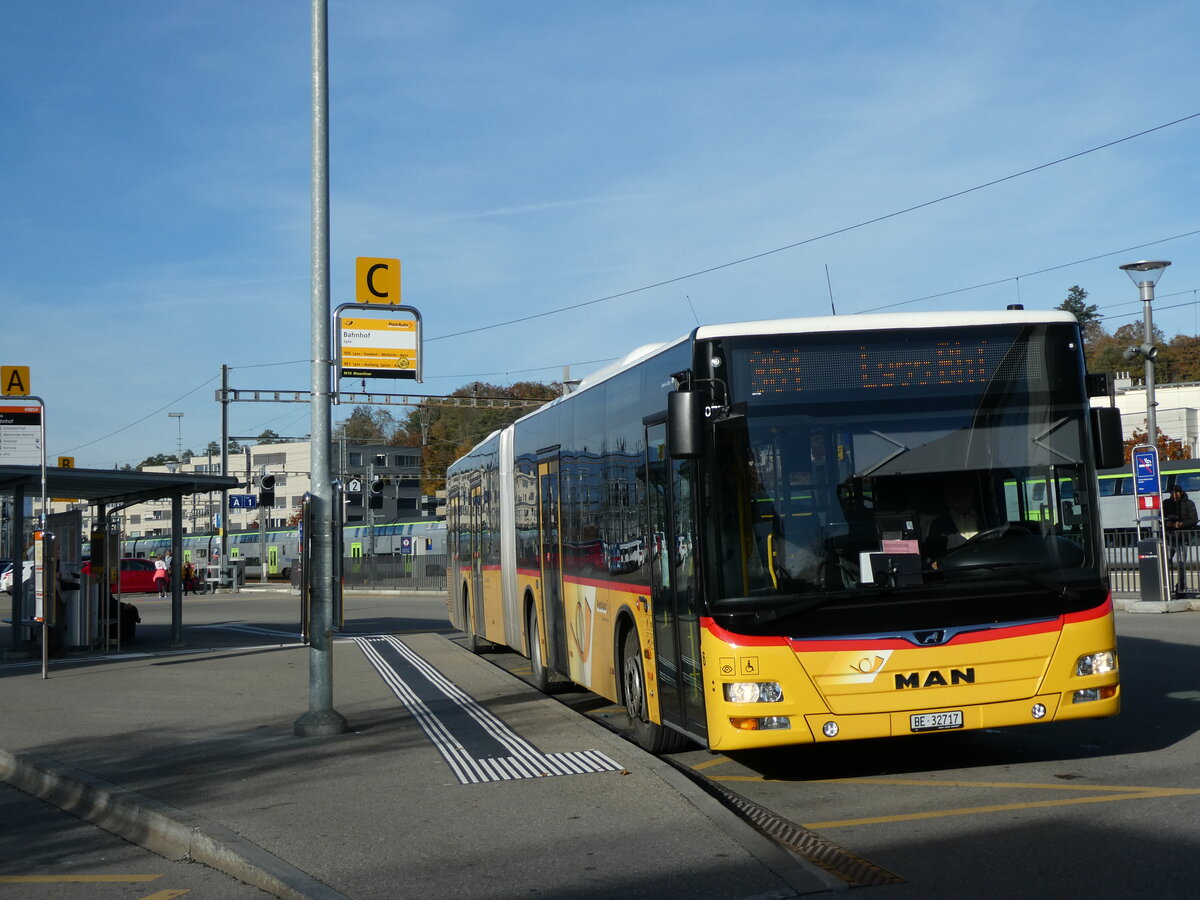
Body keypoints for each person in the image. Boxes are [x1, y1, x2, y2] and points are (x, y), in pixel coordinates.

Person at [1163, 485, 1197, 592]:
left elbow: (1194, 520)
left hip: (1183, 538)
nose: (1174, 495)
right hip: (1169, 537)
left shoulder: (1189, 503)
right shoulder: (1166, 503)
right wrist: (1166, 523)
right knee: (1165, 561)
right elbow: (1161, 517)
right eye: (1172, 493)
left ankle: (1181, 584)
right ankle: (1166, 584)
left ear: (1181, 493)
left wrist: (1181, 524)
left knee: (1181, 563)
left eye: (1176, 493)